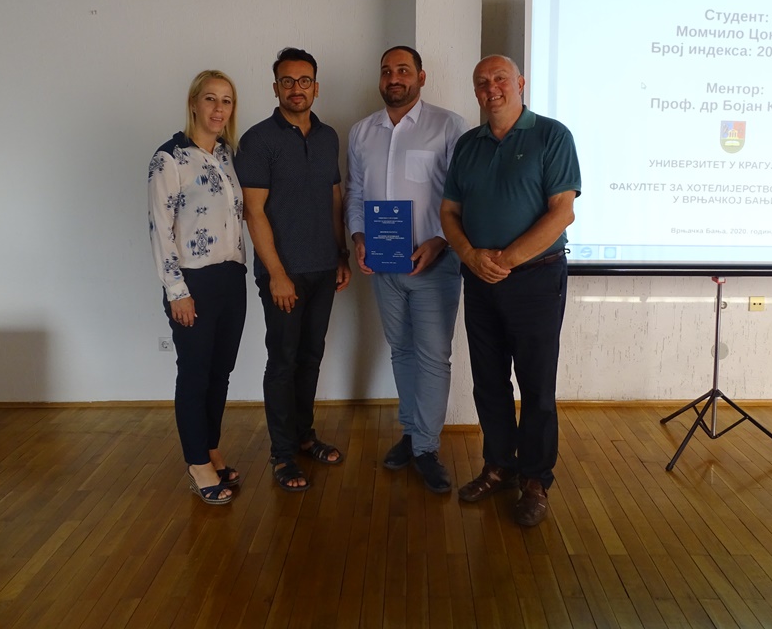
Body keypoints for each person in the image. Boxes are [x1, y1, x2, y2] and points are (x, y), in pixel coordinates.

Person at [440, 55, 581, 526]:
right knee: (489, 381)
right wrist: (469, 255)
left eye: (500, 78)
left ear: (520, 82)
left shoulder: (552, 136)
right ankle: (499, 466)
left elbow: (562, 212)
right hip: (479, 279)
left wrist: (505, 260)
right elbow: (448, 213)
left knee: (537, 385)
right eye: (482, 82)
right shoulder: (468, 145)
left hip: (536, 279)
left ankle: (535, 480)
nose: (491, 88)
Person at [344, 46, 467, 494]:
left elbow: (462, 195)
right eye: (386, 71)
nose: (394, 78)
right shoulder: (361, 132)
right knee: (401, 350)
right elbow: (356, 192)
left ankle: (427, 447)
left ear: (421, 76)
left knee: (433, 355)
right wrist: (358, 237)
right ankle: (413, 433)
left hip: (435, 262)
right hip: (384, 264)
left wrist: (440, 241)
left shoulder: (449, 125)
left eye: (403, 70)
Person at [234, 47, 352, 492]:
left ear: (316, 87)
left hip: (323, 268)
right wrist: (277, 274)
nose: (296, 89)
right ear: (275, 88)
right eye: (287, 81)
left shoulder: (328, 137)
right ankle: (282, 454)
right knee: (283, 362)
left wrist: (341, 254)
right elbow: (253, 211)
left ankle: (304, 436)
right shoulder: (258, 140)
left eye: (304, 81)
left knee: (310, 357)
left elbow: (334, 197)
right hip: (283, 273)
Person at [148, 70, 247, 506]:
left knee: (220, 371)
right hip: (193, 282)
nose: (218, 109)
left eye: (226, 101)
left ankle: (210, 447)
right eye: (210, 99)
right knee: (194, 373)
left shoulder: (227, 156)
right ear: (193, 103)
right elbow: (160, 229)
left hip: (231, 277)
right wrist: (177, 291)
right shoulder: (169, 159)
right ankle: (196, 462)